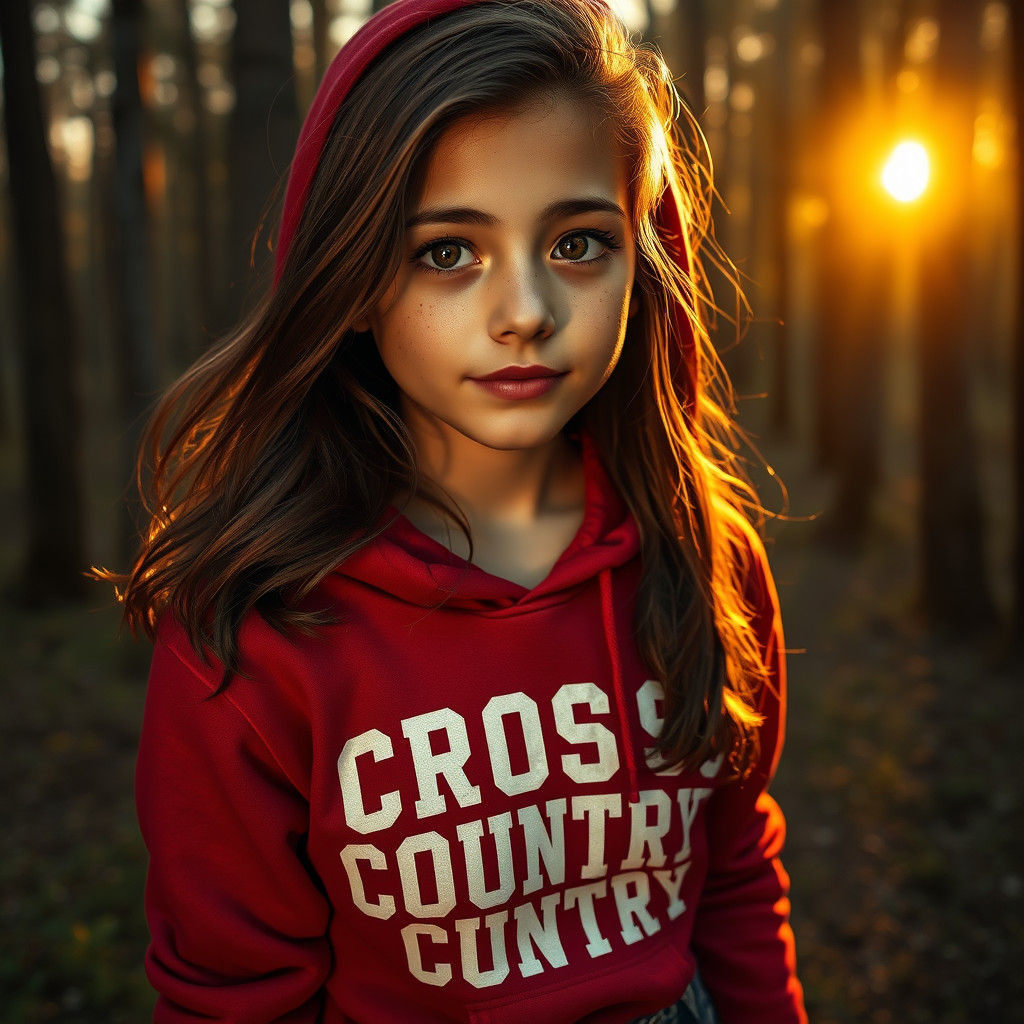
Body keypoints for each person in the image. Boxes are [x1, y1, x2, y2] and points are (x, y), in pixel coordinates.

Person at [106, 0, 807, 1019]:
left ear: (640, 266)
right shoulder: (255, 631)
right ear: (349, 281)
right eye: (447, 252)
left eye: (577, 243)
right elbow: (234, 994)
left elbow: (735, 871)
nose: (525, 308)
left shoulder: (703, 557)